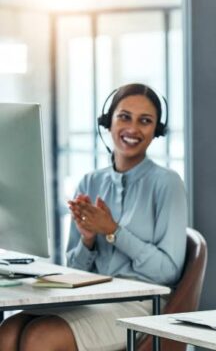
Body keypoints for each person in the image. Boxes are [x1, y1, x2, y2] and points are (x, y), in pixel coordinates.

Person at [0, 83, 187, 351]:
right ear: (108, 122)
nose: (133, 128)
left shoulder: (167, 183)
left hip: (140, 302)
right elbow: (74, 269)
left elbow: (168, 271)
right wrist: (87, 240)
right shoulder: (90, 182)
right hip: (93, 297)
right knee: (7, 331)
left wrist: (113, 231)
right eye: (124, 117)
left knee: (40, 338)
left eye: (145, 121)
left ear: (156, 130)